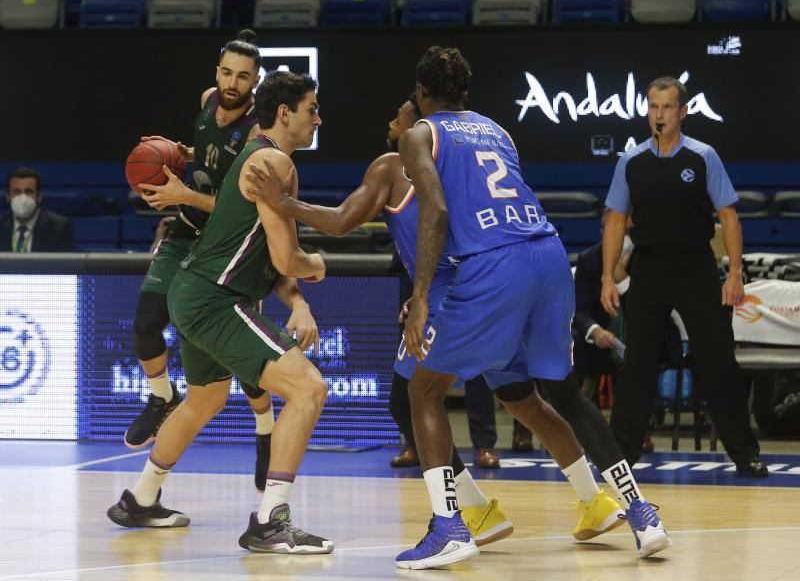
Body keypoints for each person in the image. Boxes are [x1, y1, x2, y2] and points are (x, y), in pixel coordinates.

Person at [247, 84, 667, 568]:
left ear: (419, 118)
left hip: (460, 291)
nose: (393, 123)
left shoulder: (394, 162)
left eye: (400, 114)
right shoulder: (475, 148)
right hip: (509, 273)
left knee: (412, 397)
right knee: (527, 397)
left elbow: (343, 221)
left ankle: (468, 514)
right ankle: (599, 500)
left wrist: (284, 203)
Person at [396, 47, 669, 569]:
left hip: (497, 262)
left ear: (421, 93)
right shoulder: (497, 131)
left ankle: (450, 528)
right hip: (547, 253)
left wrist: (423, 294)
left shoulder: (419, 134)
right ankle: (639, 512)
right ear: (466, 93)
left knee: (423, 389)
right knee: (551, 393)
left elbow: (437, 208)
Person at [108, 71, 333, 555]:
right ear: (285, 112)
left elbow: (269, 259)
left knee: (204, 400)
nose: (319, 117)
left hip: (191, 290)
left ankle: (141, 498)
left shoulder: (258, 148)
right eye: (312, 108)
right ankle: (270, 520)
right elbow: (286, 260)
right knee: (309, 389)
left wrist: (298, 297)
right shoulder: (275, 162)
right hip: (215, 297)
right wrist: (317, 266)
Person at [124, 30, 288, 494]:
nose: (233, 83)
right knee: (145, 321)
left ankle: (265, 431)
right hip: (186, 231)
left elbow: (242, 204)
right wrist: (176, 154)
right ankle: (162, 398)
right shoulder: (205, 102)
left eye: (243, 76)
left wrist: (181, 193)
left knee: (239, 356)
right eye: (227, 73)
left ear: (256, 81)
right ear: (216, 73)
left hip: (225, 241)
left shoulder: (259, 132)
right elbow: (210, 155)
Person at [602, 75, 767, 478]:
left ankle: (744, 452)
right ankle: (621, 455)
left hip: (696, 268)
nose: (658, 115)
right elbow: (616, 221)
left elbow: (728, 216)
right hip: (650, 269)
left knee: (717, 362)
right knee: (636, 364)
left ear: (683, 112)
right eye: (653, 107)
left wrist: (735, 273)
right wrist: (607, 276)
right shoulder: (632, 161)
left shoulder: (703, 156)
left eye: (667, 107)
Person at [1, 167, 73, 252]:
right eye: (16, 191)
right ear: (8, 197)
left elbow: (63, 264)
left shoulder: (59, 227)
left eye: (29, 191)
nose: (23, 198)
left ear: (39, 197)